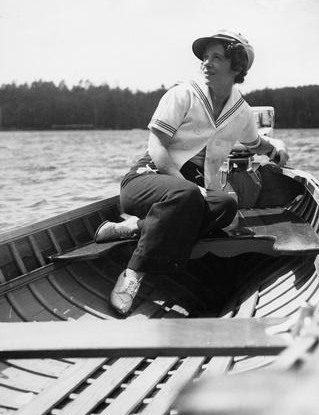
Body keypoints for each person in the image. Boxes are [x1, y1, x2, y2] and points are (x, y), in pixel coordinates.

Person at [95, 30, 289, 314]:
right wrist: (189, 187)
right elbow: (158, 147)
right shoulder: (183, 94)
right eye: (205, 57)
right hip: (145, 179)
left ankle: (136, 227)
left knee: (225, 204)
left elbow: (255, 142)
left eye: (216, 58)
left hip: (185, 194)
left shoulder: (241, 111)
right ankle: (133, 274)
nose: (205, 63)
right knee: (187, 195)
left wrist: (274, 149)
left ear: (237, 66)